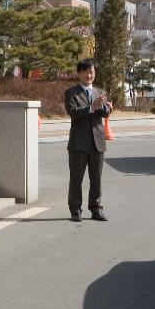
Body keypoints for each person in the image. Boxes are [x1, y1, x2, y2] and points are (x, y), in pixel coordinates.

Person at [64, 58, 111, 222]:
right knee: (76, 178)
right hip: (78, 143)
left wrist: (106, 108)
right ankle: (75, 210)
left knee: (96, 178)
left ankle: (96, 208)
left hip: (97, 141)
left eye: (92, 71)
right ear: (79, 73)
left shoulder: (100, 92)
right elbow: (73, 112)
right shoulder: (71, 93)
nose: (89, 75)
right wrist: (92, 107)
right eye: (86, 72)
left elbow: (104, 113)